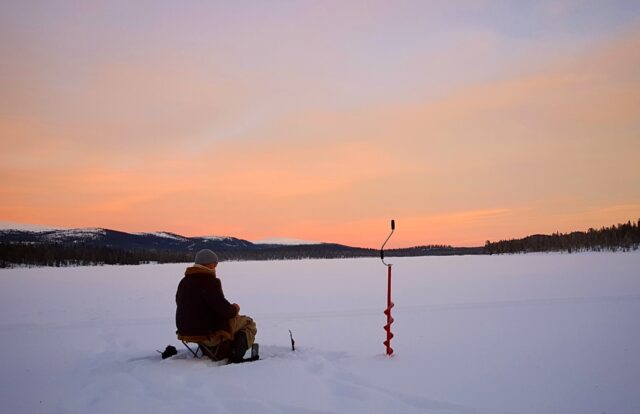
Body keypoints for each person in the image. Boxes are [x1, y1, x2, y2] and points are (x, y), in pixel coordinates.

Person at [175, 249, 257, 362]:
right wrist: (235, 308)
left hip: (187, 330)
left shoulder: (184, 281)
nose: (215, 267)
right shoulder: (209, 281)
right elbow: (224, 310)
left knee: (236, 321)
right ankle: (235, 354)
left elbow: (183, 304)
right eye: (215, 264)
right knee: (248, 322)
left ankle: (213, 350)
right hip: (208, 331)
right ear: (207, 264)